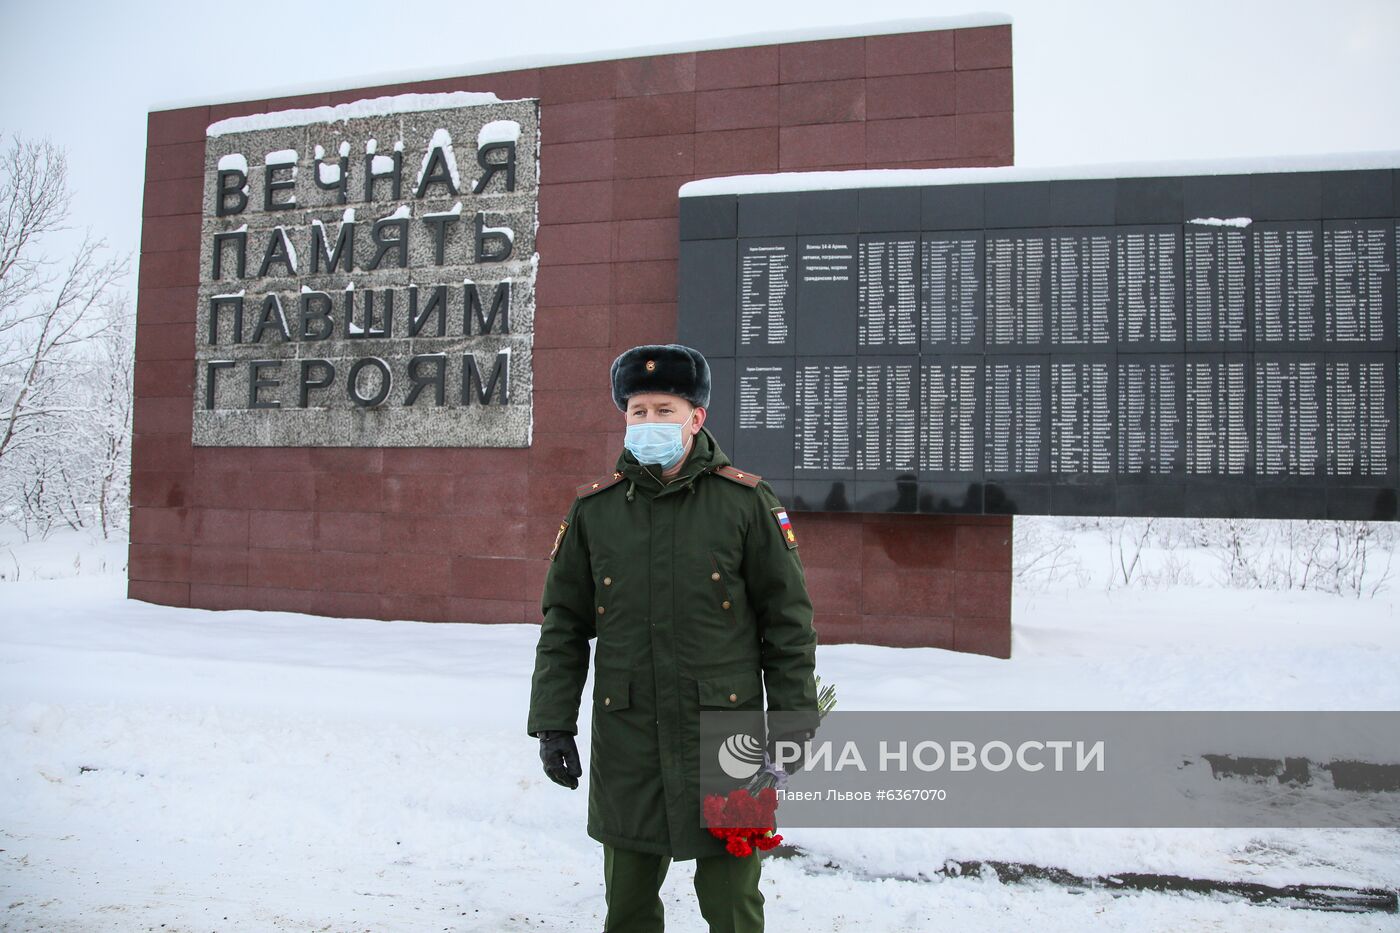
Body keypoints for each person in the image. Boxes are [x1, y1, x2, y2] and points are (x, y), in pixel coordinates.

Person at [527, 342, 820, 933]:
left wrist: (793, 725)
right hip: (629, 734)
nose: (651, 422)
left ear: (697, 418)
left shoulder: (745, 503)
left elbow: (787, 626)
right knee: (628, 906)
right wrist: (553, 722)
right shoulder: (596, 512)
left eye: (666, 409)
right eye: (639, 410)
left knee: (733, 904)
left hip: (725, 735)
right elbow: (563, 625)